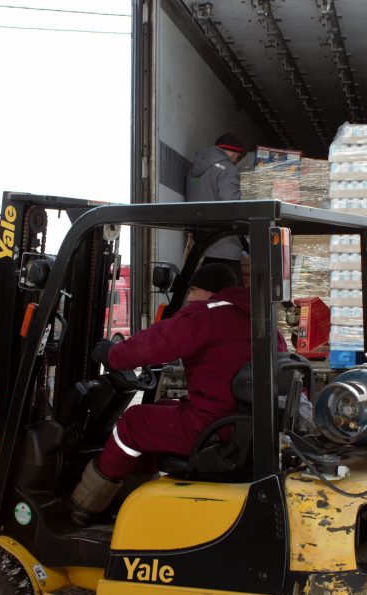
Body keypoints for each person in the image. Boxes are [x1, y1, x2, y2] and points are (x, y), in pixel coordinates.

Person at [68, 262, 286, 524]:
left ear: (207, 291)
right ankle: (132, 502)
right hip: (243, 425)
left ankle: (84, 505)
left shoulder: (207, 315)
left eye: (193, 290)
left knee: (133, 424)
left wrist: (112, 355)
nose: (190, 298)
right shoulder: (261, 321)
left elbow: (156, 342)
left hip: (212, 428)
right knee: (162, 408)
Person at [185, 132, 248, 281]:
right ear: (232, 152)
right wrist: (248, 236)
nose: (235, 160)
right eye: (237, 157)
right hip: (224, 248)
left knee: (203, 293)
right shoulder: (228, 170)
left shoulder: (194, 168)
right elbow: (232, 208)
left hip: (199, 245)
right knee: (230, 298)